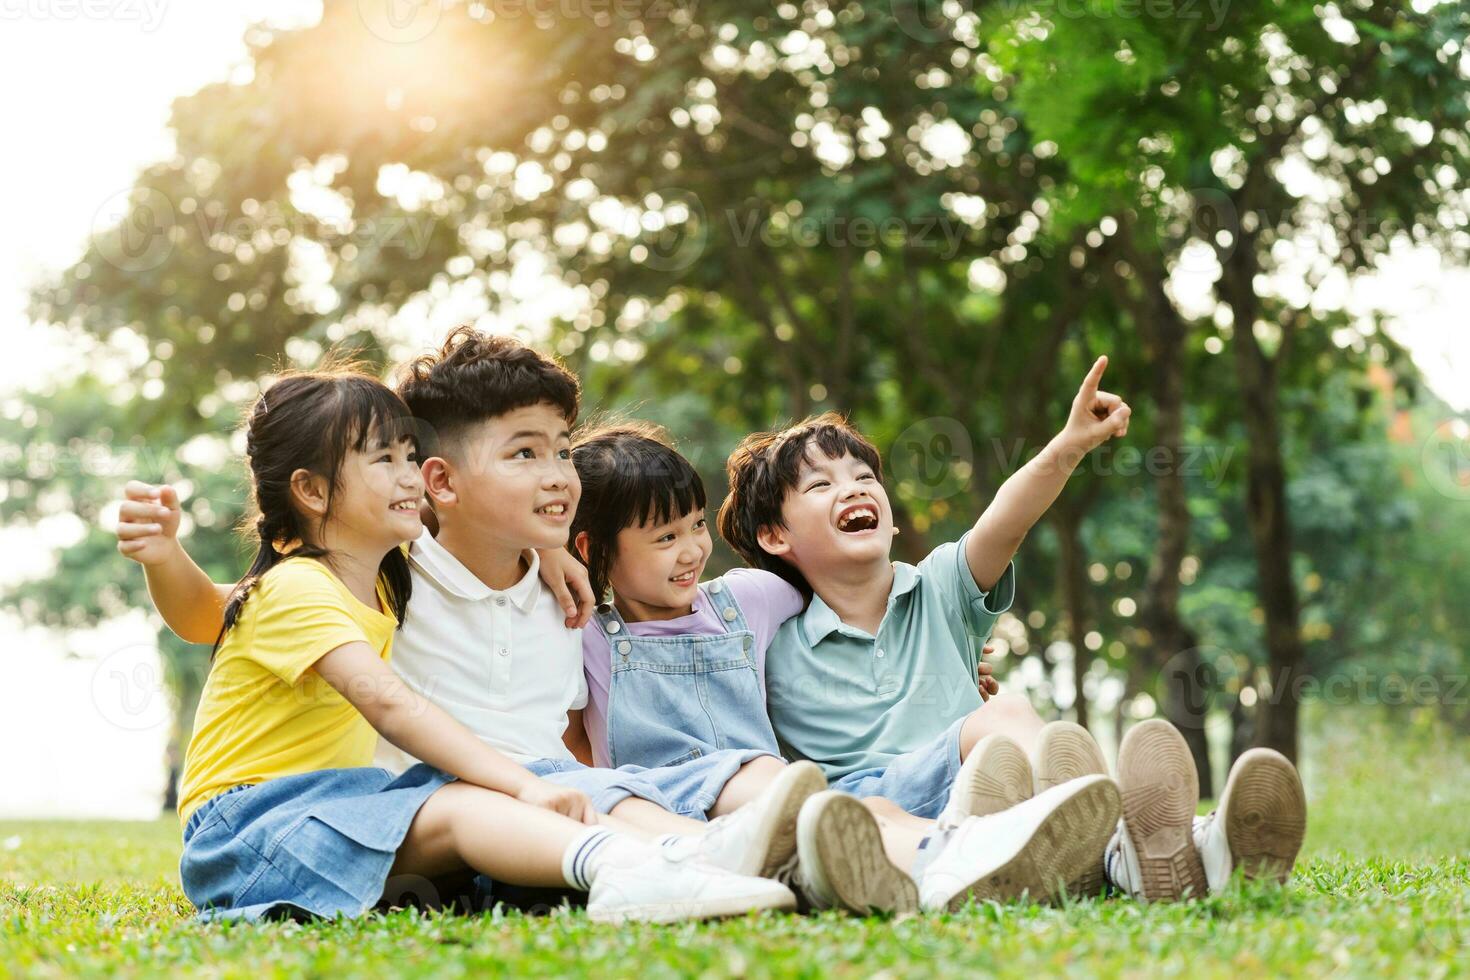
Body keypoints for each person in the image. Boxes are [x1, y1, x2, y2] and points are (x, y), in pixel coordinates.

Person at [123, 362, 792, 923]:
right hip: (244, 827)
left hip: (340, 802)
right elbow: (388, 704)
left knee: (532, 791)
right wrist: (163, 555)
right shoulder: (297, 587)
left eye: (411, 458)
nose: (412, 477)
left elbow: (469, 507)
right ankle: (625, 869)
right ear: (312, 491)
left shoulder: (381, 584)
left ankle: (702, 854)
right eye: (385, 461)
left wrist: (548, 545)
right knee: (470, 802)